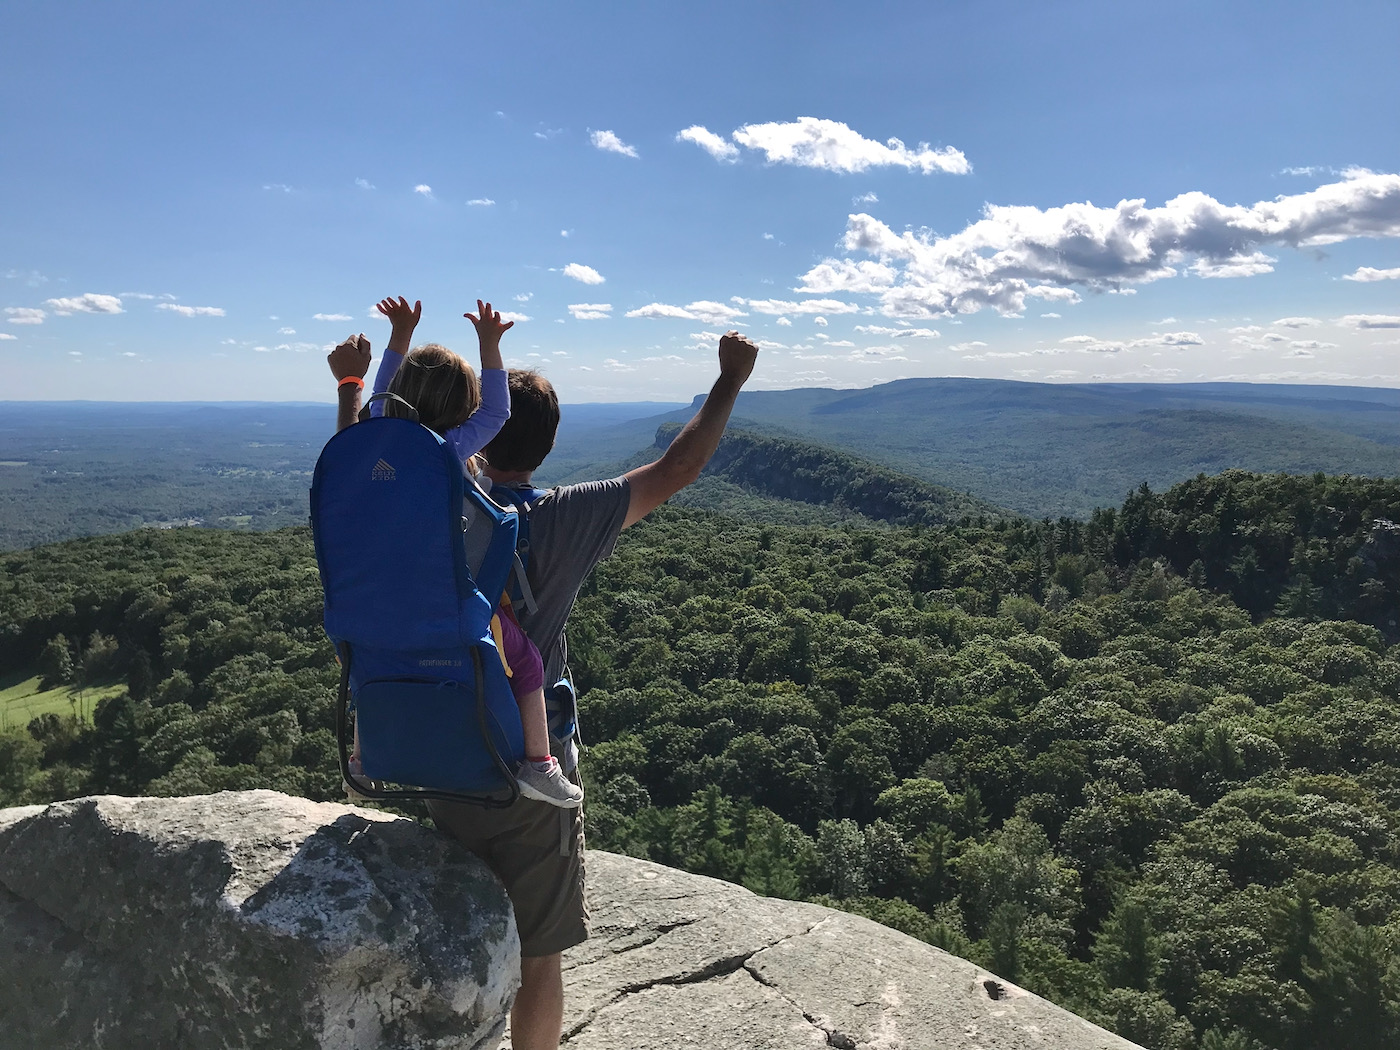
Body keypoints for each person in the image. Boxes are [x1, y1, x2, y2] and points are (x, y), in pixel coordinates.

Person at [421, 331, 760, 1050]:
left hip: (436, 755)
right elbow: (680, 467)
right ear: (543, 448)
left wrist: (353, 388)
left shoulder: (436, 503)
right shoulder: (562, 517)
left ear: (477, 436)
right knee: (540, 955)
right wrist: (729, 380)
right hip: (526, 774)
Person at [328, 296, 581, 808]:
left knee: (366, 667)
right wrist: (490, 345)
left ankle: (360, 761)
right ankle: (539, 764)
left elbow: (379, 394)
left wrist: (400, 335)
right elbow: (497, 410)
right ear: (459, 410)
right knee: (528, 663)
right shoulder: (445, 452)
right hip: (440, 600)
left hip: (368, 598)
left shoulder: (380, 438)